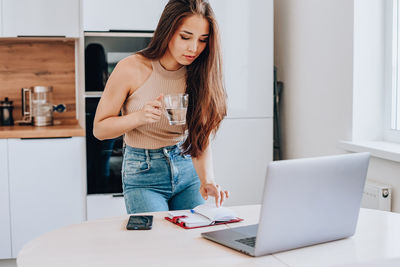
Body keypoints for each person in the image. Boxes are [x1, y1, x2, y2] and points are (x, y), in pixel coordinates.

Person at [93, 0, 229, 214]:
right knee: (156, 243)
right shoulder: (131, 68)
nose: (194, 48)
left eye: (203, 40)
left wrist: (208, 180)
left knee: (194, 240)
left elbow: (200, 137)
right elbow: (100, 129)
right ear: (167, 31)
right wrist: (139, 117)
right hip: (143, 171)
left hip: (187, 169)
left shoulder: (201, 73)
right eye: (185, 37)